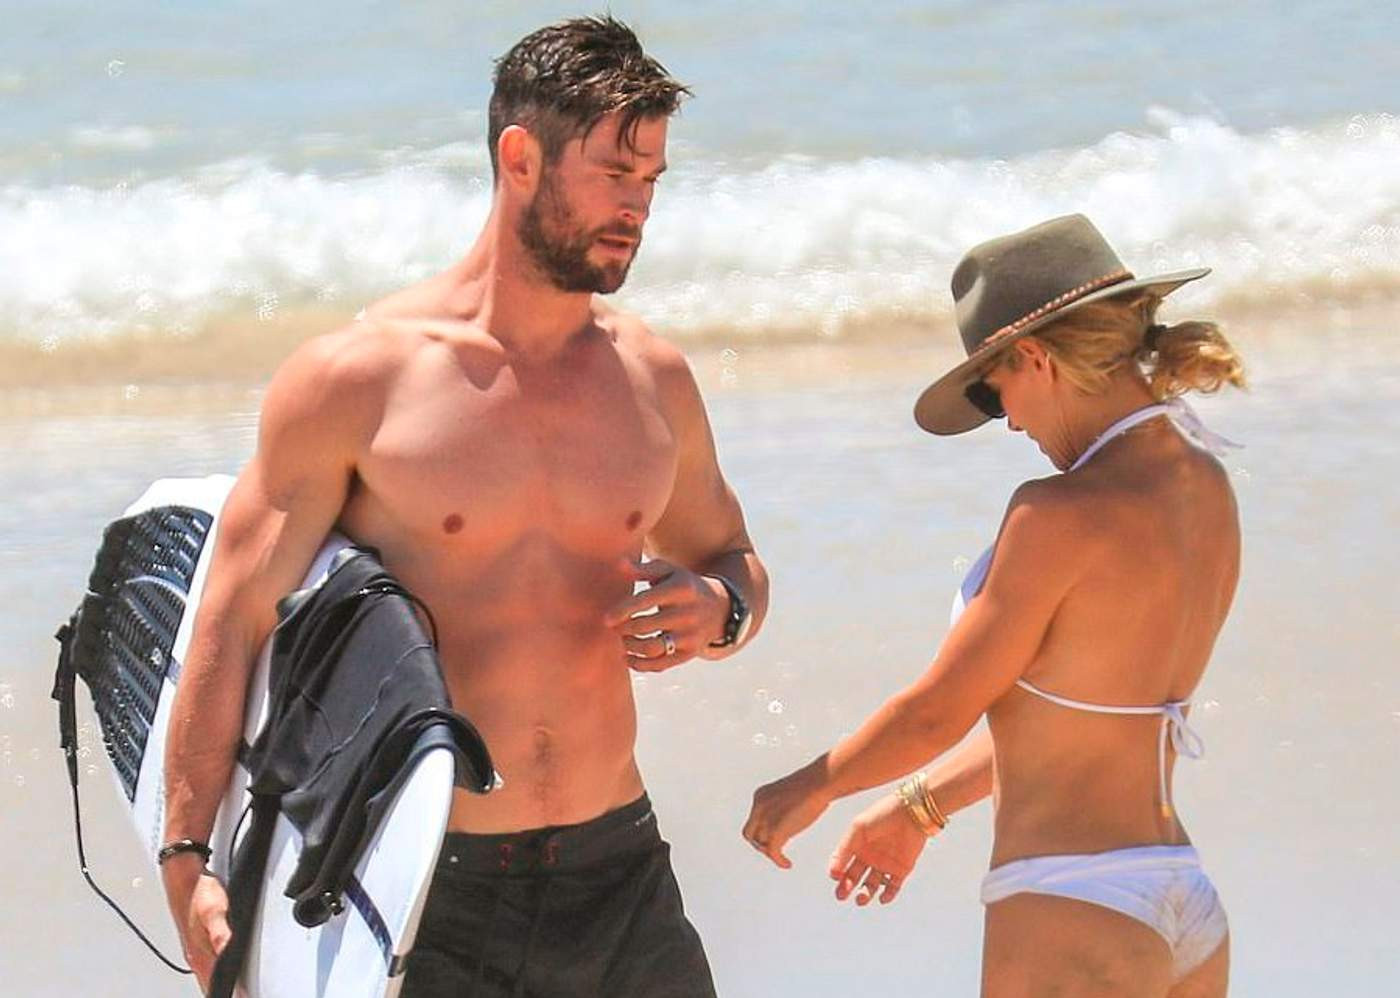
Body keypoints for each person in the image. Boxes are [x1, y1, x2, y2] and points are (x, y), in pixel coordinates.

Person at [159, 15, 767, 997]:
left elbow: (731, 554)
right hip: (425, 888)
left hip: (618, 869)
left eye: (652, 180)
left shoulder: (650, 377)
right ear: (520, 158)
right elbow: (232, 616)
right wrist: (187, 854)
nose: (636, 207)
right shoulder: (361, 380)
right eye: (614, 174)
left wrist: (722, 608)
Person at [743, 214, 1244, 996]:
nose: (1009, 419)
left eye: (994, 388)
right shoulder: (1204, 486)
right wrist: (918, 807)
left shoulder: (1055, 513)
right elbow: (1079, 712)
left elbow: (938, 711)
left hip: (1070, 901)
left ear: (1034, 357)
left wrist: (812, 785)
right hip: (1184, 898)